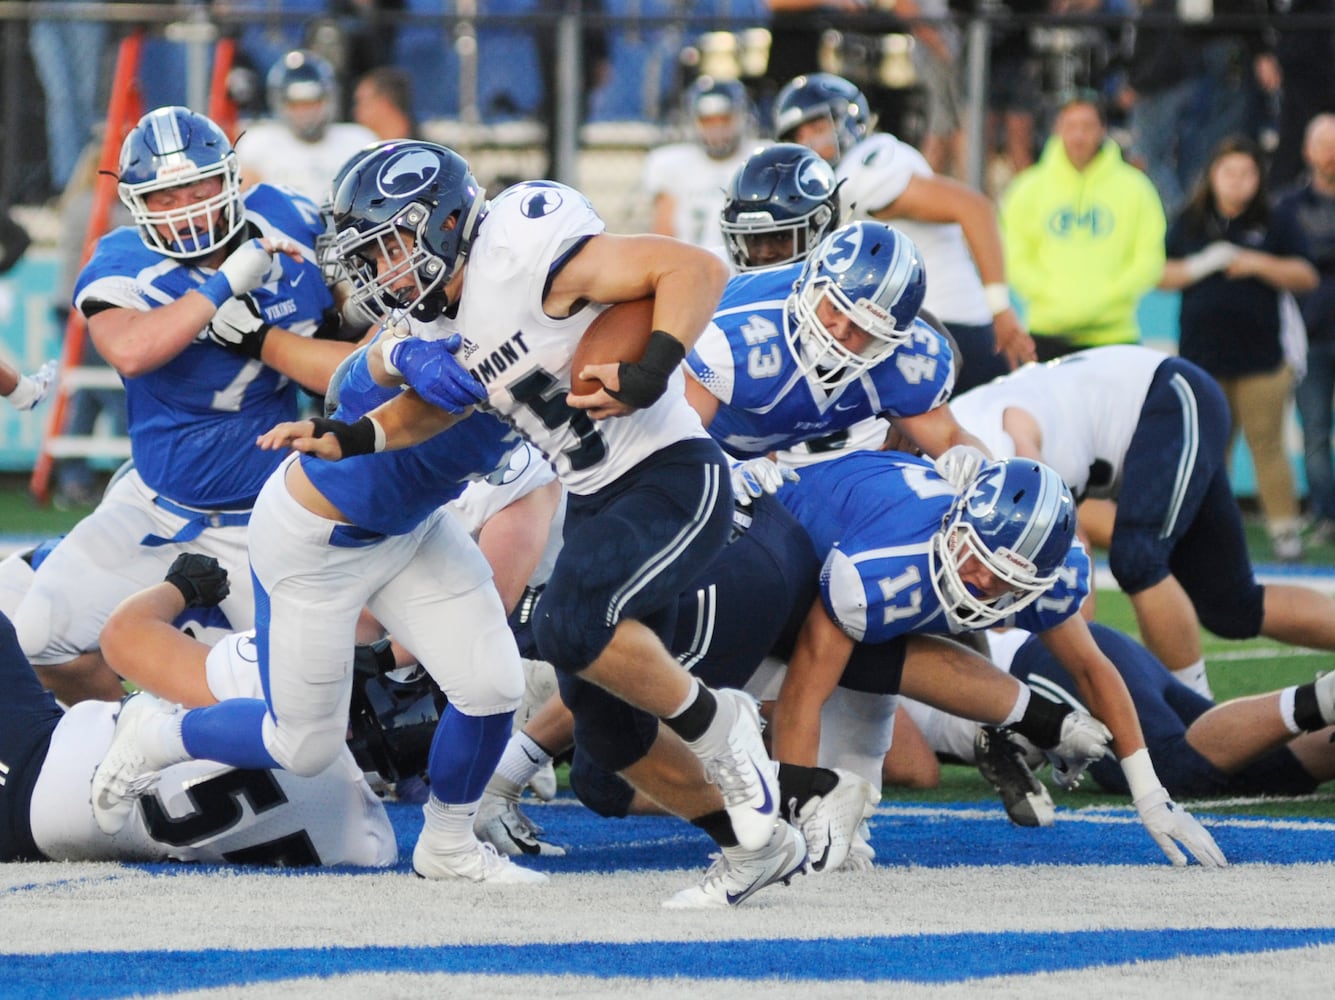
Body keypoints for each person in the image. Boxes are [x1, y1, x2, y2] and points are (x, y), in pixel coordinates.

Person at [142, 140, 805, 909]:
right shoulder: (426, 322)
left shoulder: (522, 245)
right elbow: (390, 386)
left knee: (552, 638)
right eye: (367, 254)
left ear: (449, 220)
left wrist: (654, 367)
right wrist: (351, 429)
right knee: (602, 733)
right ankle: (748, 846)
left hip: (652, 474)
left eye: (388, 244)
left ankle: (719, 730)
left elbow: (691, 268)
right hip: (537, 498)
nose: (377, 270)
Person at [90, 307, 550, 883]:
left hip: (412, 530)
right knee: (304, 745)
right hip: (315, 542)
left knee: (493, 684)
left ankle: (448, 847)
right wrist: (395, 353)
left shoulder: (558, 333)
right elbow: (347, 386)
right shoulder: (447, 319)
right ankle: (157, 735)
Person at [10, 106, 356, 706]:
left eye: (196, 185)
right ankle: (134, 739)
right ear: (139, 202)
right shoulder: (123, 259)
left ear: (229, 177)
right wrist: (225, 284)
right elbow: (132, 350)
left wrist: (341, 303)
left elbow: (358, 334)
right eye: (166, 196)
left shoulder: (292, 217)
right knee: (43, 638)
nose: (186, 206)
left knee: (317, 697)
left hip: (270, 515)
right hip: (157, 504)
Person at [771, 452, 1226, 867]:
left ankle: (836, 822)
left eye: (1004, 577)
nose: (980, 578)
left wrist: (1150, 796)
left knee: (872, 698)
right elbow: (801, 697)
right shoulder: (886, 563)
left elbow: (1093, 668)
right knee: (807, 679)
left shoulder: (1046, 579)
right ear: (957, 522)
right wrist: (794, 816)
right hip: (776, 552)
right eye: (976, 555)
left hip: (854, 564)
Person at [949, 345, 1335, 700]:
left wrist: (1065, 668)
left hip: (1169, 397)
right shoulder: (951, 453)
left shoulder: (982, 454)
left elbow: (1067, 546)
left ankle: (1196, 714)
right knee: (1231, 606)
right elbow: (1088, 522)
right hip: (1160, 418)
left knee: (1137, 560)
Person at [0, 567, 396, 868]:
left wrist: (181, 587)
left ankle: (157, 736)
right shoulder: (371, 846)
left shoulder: (271, 692)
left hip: (48, 761)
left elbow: (125, 639)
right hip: (41, 838)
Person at [774, 72, 1035, 392]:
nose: (810, 143)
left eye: (817, 128)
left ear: (848, 120)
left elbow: (974, 208)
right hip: (902, 331)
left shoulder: (867, 167)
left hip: (947, 330)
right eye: (797, 136)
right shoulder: (839, 180)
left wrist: (1001, 309)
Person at [895, 622, 1335, 807]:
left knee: (1169, 769)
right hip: (1080, 650)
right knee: (1260, 764)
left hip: (1043, 666)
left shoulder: (856, 665)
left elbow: (915, 769)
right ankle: (1325, 701)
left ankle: (1328, 695)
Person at [687, 219, 987, 466]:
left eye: (863, 327)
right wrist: (728, 466)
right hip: (694, 447)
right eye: (835, 308)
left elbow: (951, 439)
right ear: (810, 284)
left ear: (892, 338)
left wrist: (970, 459)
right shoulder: (732, 334)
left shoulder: (906, 358)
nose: (840, 330)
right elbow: (671, 438)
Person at [1160, 135, 1318, 563]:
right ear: (1212, 175)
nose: (1237, 182)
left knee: (1267, 445)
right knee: (1210, 450)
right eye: (1228, 172)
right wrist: (1203, 263)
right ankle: (1206, 535)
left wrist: (1257, 264)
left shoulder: (1277, 218)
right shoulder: (1190, 221)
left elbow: (1306, 274)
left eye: (1247, 173)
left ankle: (1285, 532)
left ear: (1258, 178)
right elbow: (1158, 274)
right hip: (1202, 359)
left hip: (1262, 359)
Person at [999, 90, 1166, 362]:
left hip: (1114, 335)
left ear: (1103, 129)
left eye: (1087, 127)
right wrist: (1052, 298)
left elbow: (1149, 259)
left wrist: (1105, 299)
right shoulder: (1027, 189)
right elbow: (1012, 257)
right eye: (1071, 126)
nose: (1079, 136)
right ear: (1057, 129)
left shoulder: (1136, 188)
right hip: (1046, 333)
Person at [1276, 114, 1335, 542]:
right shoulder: (1288, 207)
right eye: (1323, 144)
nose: (1330, 154)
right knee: (1314, 432)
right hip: (1311, 337)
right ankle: (1327, 514)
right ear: (1307, 150)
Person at [236, 50, 378, 203]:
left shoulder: (360, 141)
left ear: (329, 99)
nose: (306, 113)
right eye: (296, 104)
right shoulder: (257, 144)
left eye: (313, 102)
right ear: (279, 103)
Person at [642, 77, 759, 258]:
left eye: (724, 119)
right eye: (708, 121)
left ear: (741, 117)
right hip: (688, 268)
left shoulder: (759, 158)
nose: (717, 129)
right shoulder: (670, 164)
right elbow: (663, 237)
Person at [718, 142, 842, 273]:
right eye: (753, 238)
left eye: (781, 237)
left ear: (821, 224)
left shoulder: (845, 281)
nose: (765, 253)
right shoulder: (722, 279)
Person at [352, 66, 418, 141]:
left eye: (361, 102)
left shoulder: (424, 150)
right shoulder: (360, 146)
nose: (356, 110)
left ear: (384, 103)